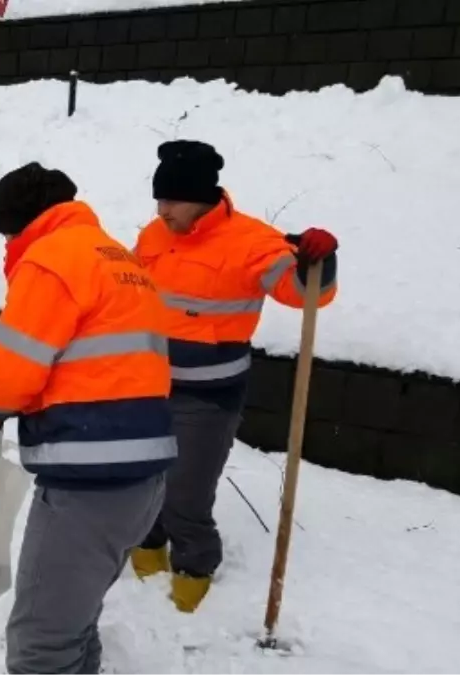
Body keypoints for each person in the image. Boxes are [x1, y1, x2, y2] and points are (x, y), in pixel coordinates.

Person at [0, 162, 177, 675]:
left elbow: (12, 369)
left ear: (21, 224)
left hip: (90, 487)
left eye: (8, 233)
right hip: (140, 481)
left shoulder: (51, 260)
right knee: (75, 625)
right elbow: (97, 362)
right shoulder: (114, 258)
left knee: (42, 644)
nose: (7, 245)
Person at [128, 140, 339, 612]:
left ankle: (195, 566)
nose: (162, 211)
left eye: (172, 201)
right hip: (147, 384)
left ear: (202, 198)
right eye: (158, 200)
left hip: (208, 395)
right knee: (142, 476)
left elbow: (306, 294)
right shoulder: (153, 235)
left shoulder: (252, 242)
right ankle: (146, 547)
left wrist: (318, 261)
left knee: (185, 490)